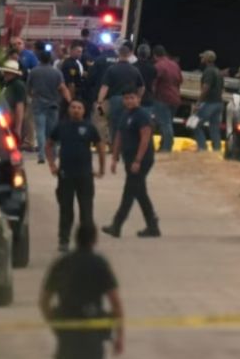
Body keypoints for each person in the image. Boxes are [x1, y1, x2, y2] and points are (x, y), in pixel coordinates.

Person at [40, 223, 124, 359]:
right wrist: (120, 337)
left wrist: (55, 324)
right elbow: (116, 304)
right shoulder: (99, 264)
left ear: (75, 239)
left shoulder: (62, 263)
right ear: (95, 240)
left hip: (67, 337)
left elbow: (44, 301)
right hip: (92, 338)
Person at [46, 100, 105, 252]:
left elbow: (100, 146)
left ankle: (87, 243)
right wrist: (52, 164)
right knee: (66, 210)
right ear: (69, 110)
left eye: (79, 108)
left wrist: (101, 168)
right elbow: (49, 145)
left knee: (86, 210)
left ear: (84, 111)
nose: (76, 110)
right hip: (65, 175)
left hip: (85, 175)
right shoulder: (61, 126)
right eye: (73, 107)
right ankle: (63, 240)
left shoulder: (89, 127)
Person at [101, 87, 161, 238]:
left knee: (129, 191)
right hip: (129, 159)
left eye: (132, 98)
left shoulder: (142, 115)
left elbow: (145, 139)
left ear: (138, 99)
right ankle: (152, 225)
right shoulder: (125, 114)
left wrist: (138, 160)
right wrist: (114, 158)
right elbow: (119, 137)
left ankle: (117, 225)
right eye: (126, 98)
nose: (129, 101)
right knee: (139, 192)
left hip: (141, 159)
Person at [27, 51, 71, 164]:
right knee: (52, 131)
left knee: (40, 130)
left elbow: (28, 88)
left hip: (38, 104)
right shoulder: (56, 72)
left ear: (40, 59)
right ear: (50, 59)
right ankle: (53, 154)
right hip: (53, 104)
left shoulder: (34, 71)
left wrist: (32, 96)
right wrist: (69, 101)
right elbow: (63, 88)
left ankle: (41, 155)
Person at [97, 42, 144, 144]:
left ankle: (114, 146)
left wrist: (99, 102)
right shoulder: (134, 69)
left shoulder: (112, 69)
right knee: (127, 122)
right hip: (130, 100)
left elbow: (105, 87)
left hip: (115, 100)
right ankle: (125, 145)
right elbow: (142, 87)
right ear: (129, 55)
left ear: (118, 54)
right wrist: (138, 98)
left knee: (114, 123)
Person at [152, 45, 182, 152]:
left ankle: (167, 148)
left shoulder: (158, 66)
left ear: (155, 56)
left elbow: (154, 83)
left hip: (163, 98)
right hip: (175, 98)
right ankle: (163, 145)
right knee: (168, 122)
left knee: (165, 124)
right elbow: (179, 80)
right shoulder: (175, 65)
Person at [193, 50, 224, 152]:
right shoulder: (218, 71)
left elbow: (206, 87)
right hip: (219, 103)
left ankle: (202, 148)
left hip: (209, 103)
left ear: (206, 59)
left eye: (202, 57)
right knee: (214, 128)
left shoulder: (208, 71)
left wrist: (198, 103)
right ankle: (217, 150)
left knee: (196, 125)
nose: (201, 59)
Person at [0, 59, 27, 142]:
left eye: (7, 73)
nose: (5, 74)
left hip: (12, 119)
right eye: (5, 72)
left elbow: (20, 106)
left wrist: (18, 127)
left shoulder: (18, 85)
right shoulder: (5, 84)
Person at [60, 41, 87, 113]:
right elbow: (71, 83)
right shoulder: (70, 64)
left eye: (81, 52)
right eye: (78, 51)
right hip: (71, 94)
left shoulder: (76, 62)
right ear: (71, 51)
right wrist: (71, 99)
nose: (80, 54)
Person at [134, 44, 157, 111]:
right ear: (149, 54)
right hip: (148, 98)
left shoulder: (133, 67)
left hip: (134, 98)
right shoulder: (153, 68)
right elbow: (154, 85)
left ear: (137, 53)